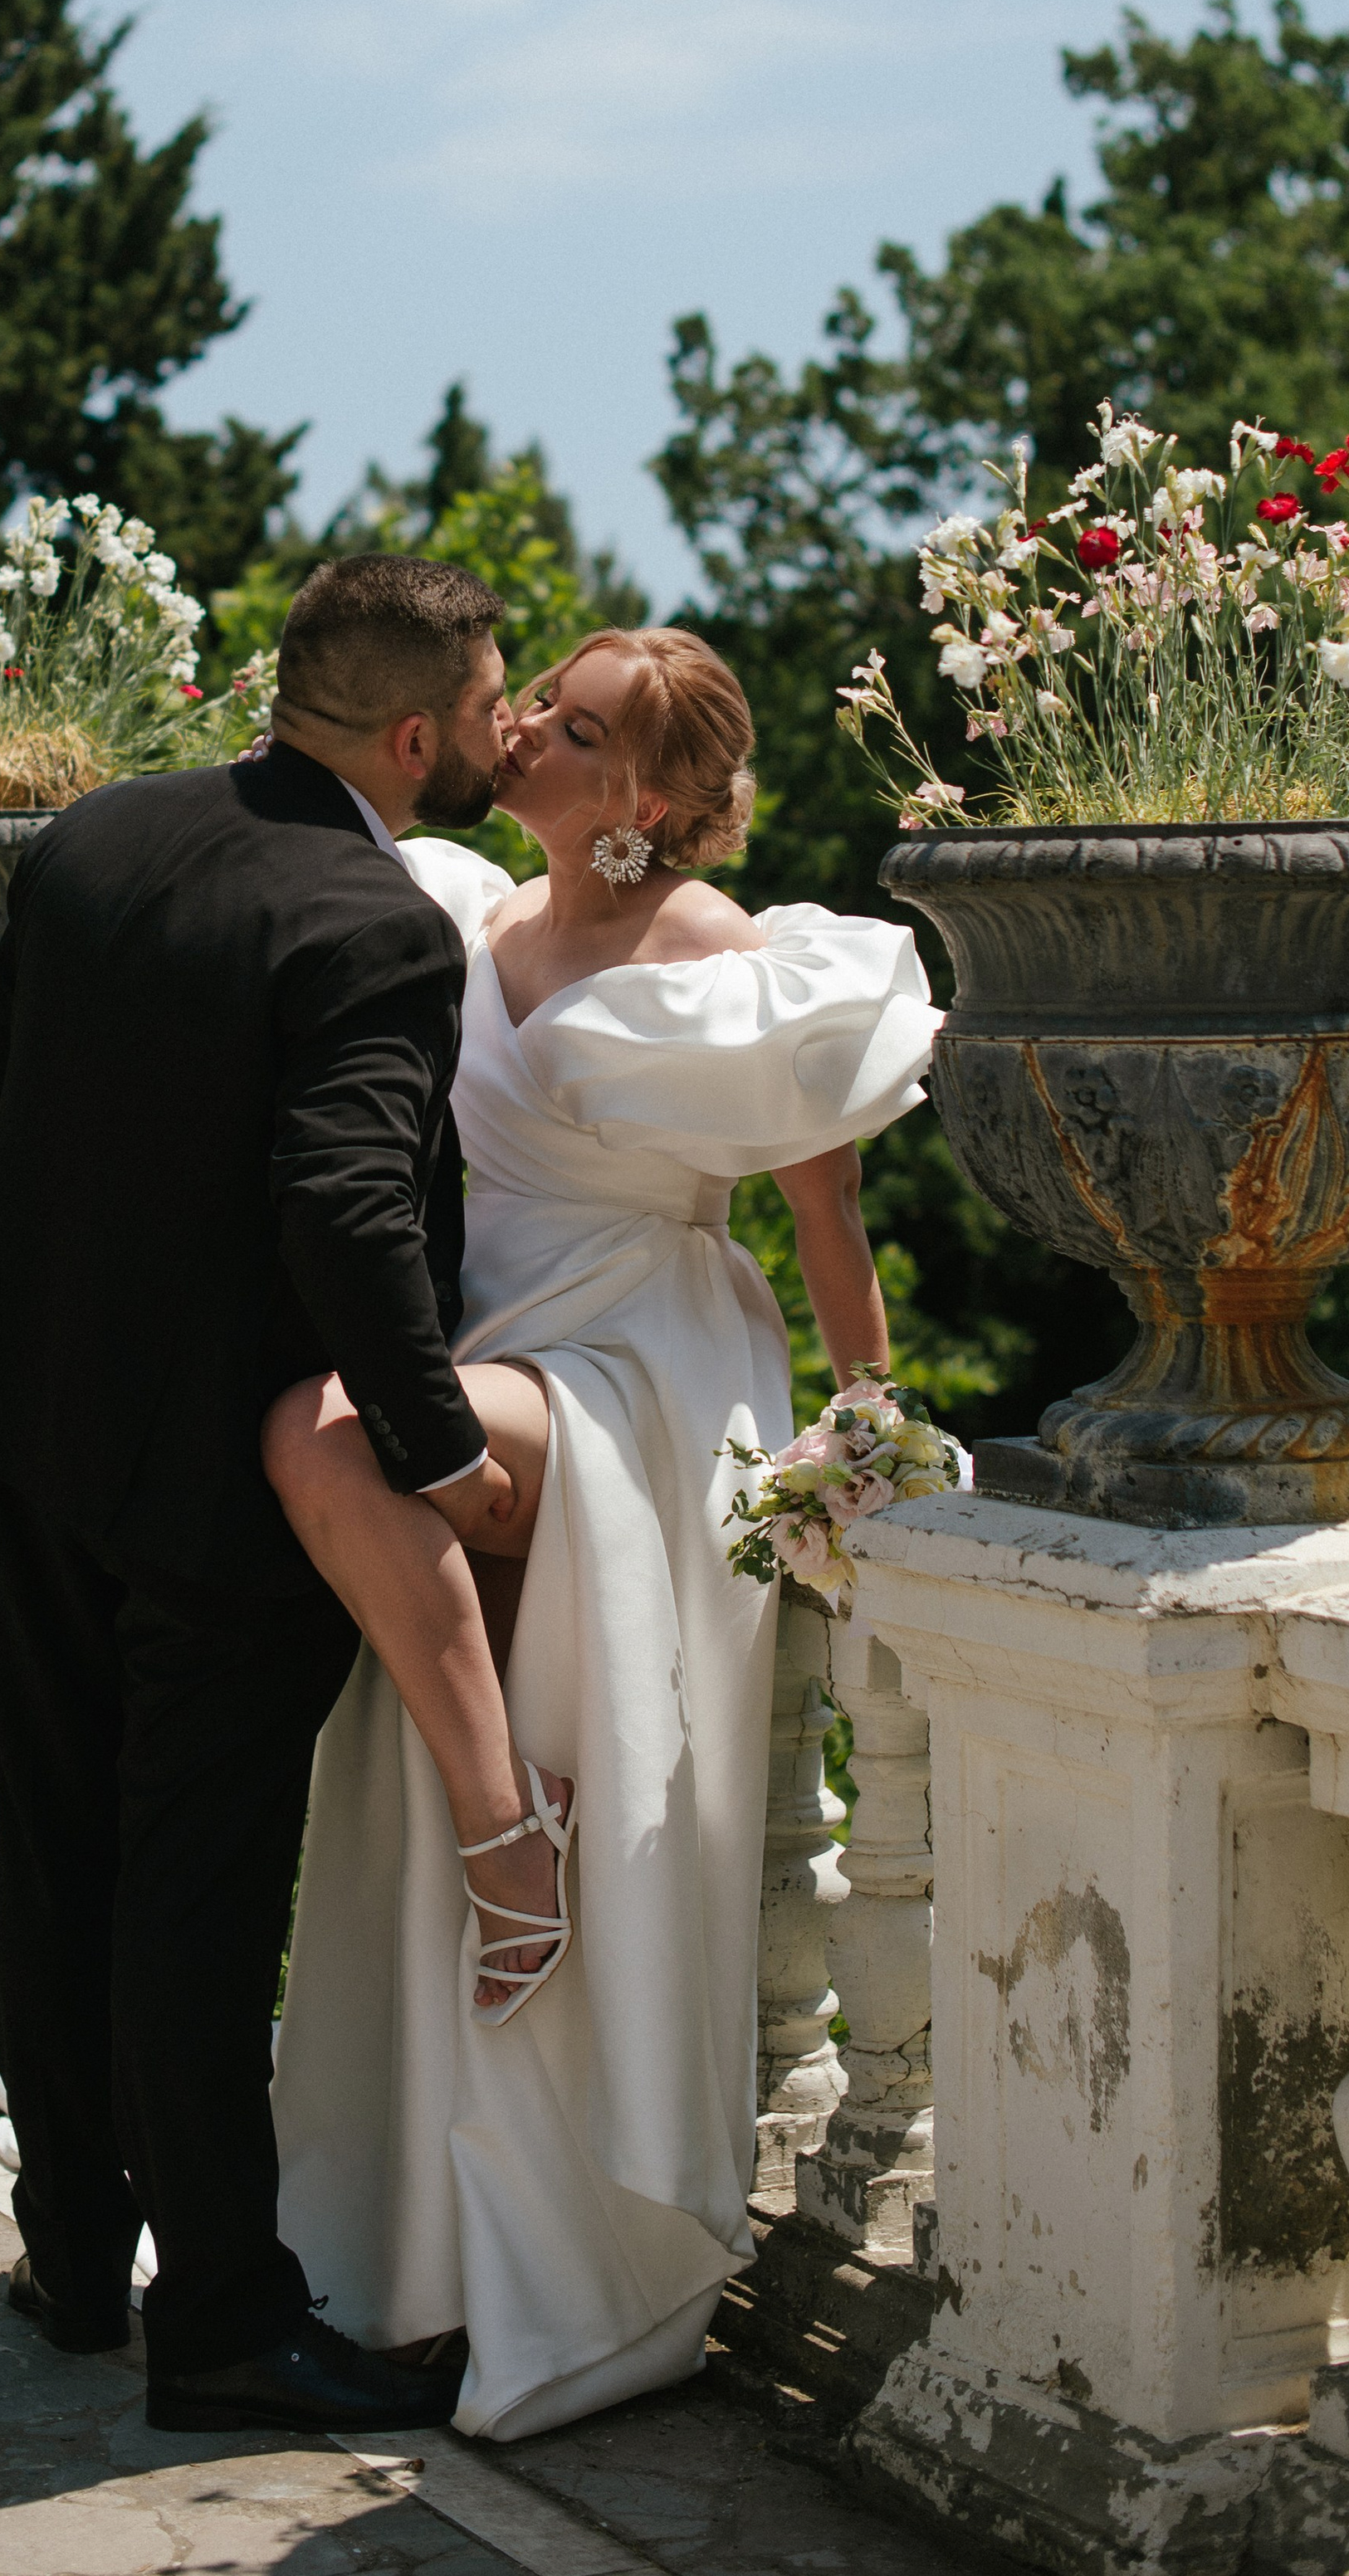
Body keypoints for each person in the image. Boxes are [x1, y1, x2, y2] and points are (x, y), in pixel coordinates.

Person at [265, 625, 941, 2441]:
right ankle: (426, 2251)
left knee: (326, 1429)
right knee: (376, 1521)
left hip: (638, 1362)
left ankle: (522, 1854)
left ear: (638, 793)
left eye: (570, 726)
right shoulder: (463, 913)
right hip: (482, 1343)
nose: (524, 729)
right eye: (537, 701)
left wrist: (863, 1415)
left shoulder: (719, 950)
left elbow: (823, 1208)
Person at [0, 553, 524, 2437]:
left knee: (61, 1841)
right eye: (489, 704)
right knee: (194, 1890)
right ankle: (228, 2326)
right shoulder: (377, 922)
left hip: (28, 1420)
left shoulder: (96, 836)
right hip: (208, 1488)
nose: (502, 731)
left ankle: (71, 2257)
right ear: (412, 736)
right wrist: (444, 1456)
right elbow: (345, 1208)